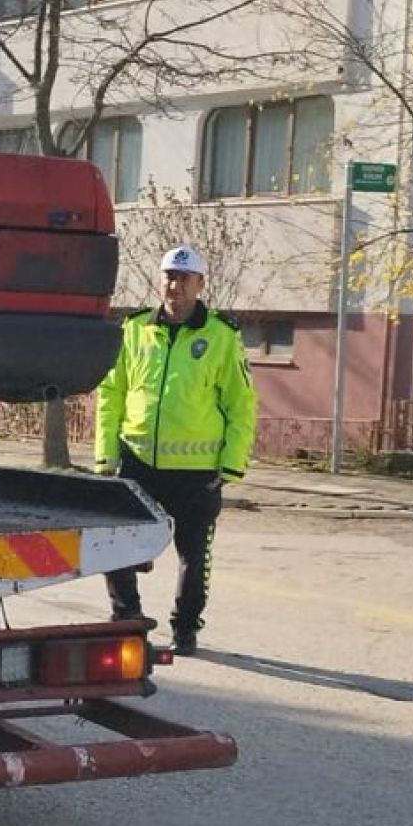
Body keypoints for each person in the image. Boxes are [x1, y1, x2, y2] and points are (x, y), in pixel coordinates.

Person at [93, 246, 257, 656]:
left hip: (196, 471)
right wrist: (106, 455)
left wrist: (231, 465)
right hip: (137, 462)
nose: (175, 285)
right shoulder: (135, 329)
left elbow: (241, 404)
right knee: (116, 543)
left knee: (194, 556)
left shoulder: (221, 335)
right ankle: (127, 617)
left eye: (185, 278)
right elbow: (112, 393)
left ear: (200, 284)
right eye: (169, 276)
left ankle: (185, 628)